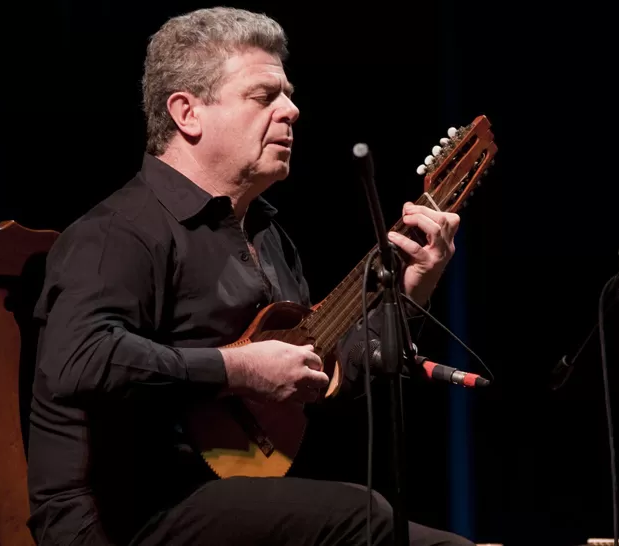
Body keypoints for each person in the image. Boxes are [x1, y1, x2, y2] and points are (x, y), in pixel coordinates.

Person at [25, 6, 473, 546]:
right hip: (119, 515)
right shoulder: (119, 232)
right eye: (265, 96)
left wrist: (412, 287)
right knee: (368, 518)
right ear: (187, 113)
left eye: (287, 93)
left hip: (220, 499)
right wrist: (237, 369)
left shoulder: (265, 235)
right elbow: (80, 359)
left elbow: (329, 376)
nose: (293, 110)